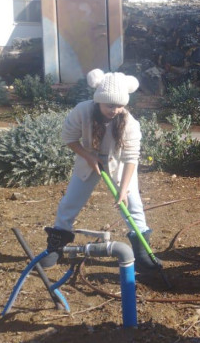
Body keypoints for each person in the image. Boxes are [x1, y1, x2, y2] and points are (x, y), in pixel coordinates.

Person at [41, 69, 156, 271]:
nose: (115, 110)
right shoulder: (82, 111)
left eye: (119, 105)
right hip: (88, 161)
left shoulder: (129, 122)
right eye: (110, 105)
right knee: (70, 202)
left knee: (133, 206)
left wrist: (124, 189)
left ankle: (142, 254)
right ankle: (55, 247)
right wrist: (88, 156)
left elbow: (131, 158)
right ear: (98, 101)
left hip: (120, 165)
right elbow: (69, 138)